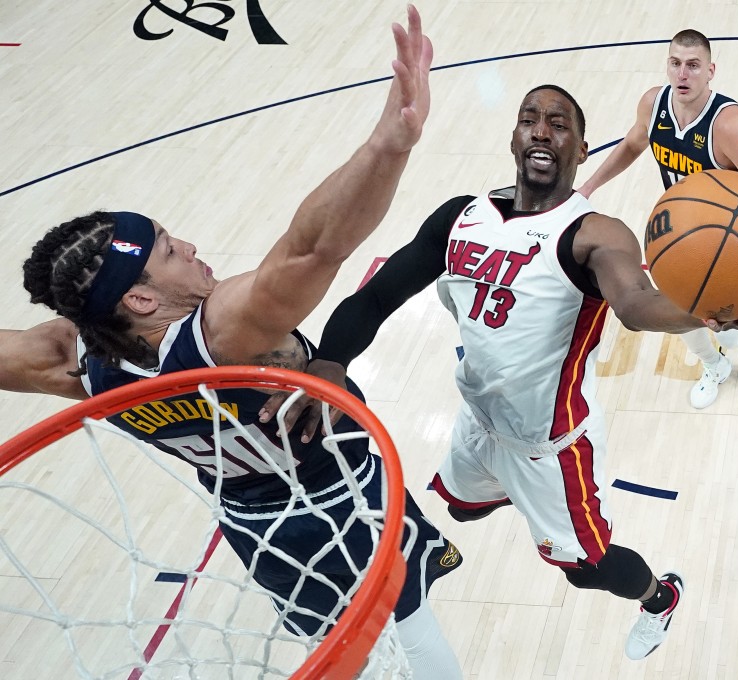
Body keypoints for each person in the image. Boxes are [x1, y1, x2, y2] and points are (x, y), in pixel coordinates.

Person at [0, 7, 463, 679]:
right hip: (347, 505)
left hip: (262, 530)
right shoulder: (222, 333)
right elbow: (314, 248)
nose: (188, 244)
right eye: (167, 248)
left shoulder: (81, 367)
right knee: (412, 629)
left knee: (342, 655)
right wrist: (389, 143)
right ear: (141, 298)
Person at [302, 84, 738, 660]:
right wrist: (330, 360)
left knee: (584, 571)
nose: (541, 130)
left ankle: (661, 597)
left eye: (558, 123)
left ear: (582, 149)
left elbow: (635, 306)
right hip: (479, 423)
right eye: (529, 119)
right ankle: (523, 503)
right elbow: (376, 296)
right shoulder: (461, 217)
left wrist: (715, 312)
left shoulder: (594, 233)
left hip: (549, 446)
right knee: (460, 508)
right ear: (513, 136)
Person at [578, 29, 738, 409]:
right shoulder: (653, 103)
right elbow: (631, 145)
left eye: (693, 66)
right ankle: (714, 367)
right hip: (677, 234)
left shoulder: (727, 124)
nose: (683, 74)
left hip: (725, 242)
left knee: (729, 331)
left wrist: (734, 224)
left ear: (710, 71)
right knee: (676, 317)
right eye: (675, 64)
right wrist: (587, 188)